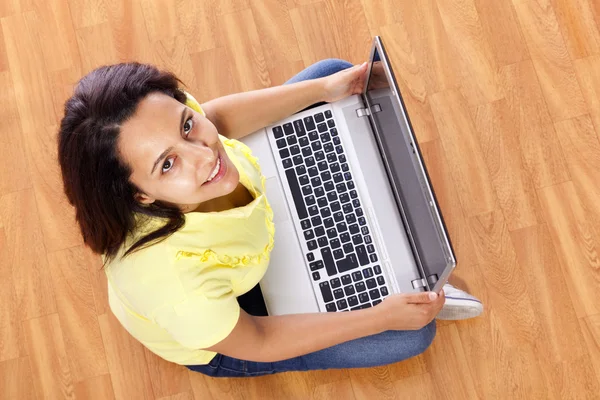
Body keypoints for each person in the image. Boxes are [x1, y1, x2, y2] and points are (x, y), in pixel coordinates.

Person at [57, 59, 482, 378]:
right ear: (140, 195)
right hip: (239, 321)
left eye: (187, 125)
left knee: (334, 76)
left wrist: (324, 88)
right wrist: (382, 317)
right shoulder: (177, 289)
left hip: (249, 237)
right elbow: (259, 340)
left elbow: (217, 120)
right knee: (414, 335)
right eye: (168, 165)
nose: (206, 156)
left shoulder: (158, 122)